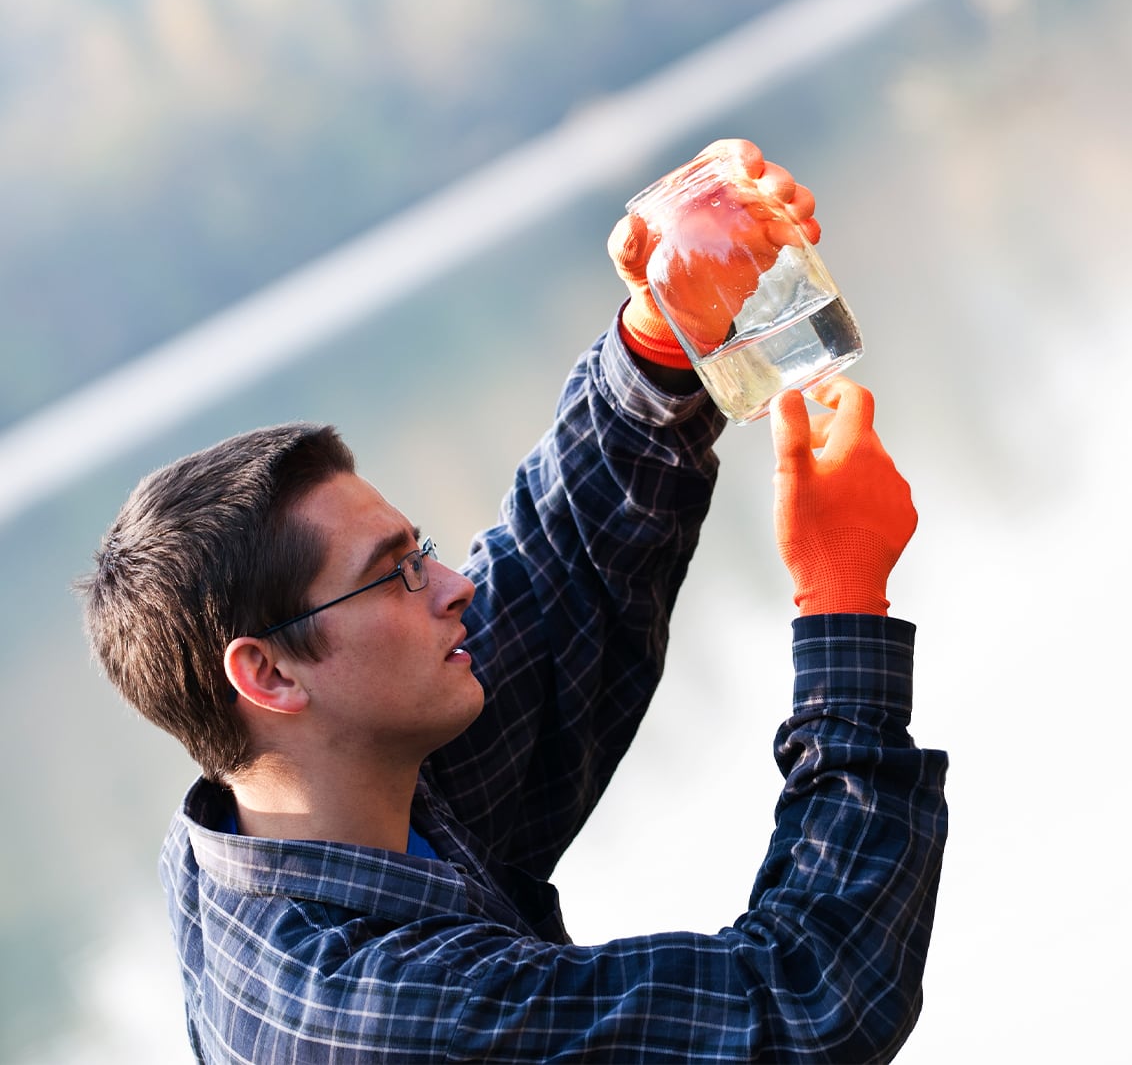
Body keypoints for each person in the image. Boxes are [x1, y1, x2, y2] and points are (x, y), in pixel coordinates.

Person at [79, 139, 948, 1063]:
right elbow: (802, 1006)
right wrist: (843, 597)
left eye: (428, 554)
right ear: (268, 672)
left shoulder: (284, 822)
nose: (456, 589)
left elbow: (555, 580)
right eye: (398, 572)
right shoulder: (394, 1020)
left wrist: (660, 341)